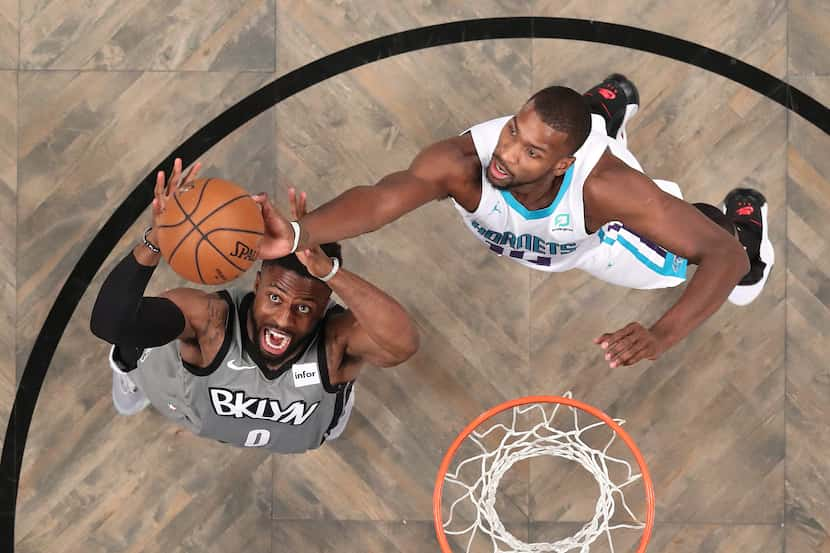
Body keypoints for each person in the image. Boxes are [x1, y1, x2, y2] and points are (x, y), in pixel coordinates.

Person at [251, 75, 774, 369]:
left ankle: (751, 237)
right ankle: (600, 113)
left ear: (562, 164)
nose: (505, 156)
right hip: (550, 221)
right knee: (569, 120)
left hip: (601, 241)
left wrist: (661, 335)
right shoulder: (461, 164)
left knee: (707, 248)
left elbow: (717, 260)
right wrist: (300, 233)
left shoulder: (605, 188)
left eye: (530, 152)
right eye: (511, 133)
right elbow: (382, 200)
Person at [90, 159, 419, 453]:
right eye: (275, 298)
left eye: (304, 308)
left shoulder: (336, 342)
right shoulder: (211, 321)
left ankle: (331, 402)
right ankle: (130, 373)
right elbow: (110, 324)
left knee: (333, 402)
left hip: (306, 426)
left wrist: (331, 273)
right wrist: (155, 242)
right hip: (185, 404)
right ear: (257, 283)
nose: (283, 320)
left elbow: (403, 345)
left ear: (325, 305)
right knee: (135, 340)